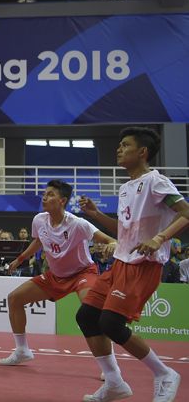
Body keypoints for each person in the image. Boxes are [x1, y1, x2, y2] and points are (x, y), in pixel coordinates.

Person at [76, 127, 189, 402]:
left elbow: (186, 213)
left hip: (143, 265)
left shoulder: (156, 181)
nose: (119, 149)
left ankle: (164, 373)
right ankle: (114, 382)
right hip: (119, 263)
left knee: (111, 323)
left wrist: (160, 238)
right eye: (119, 145)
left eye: (125, 145)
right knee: (87, 316)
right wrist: (96, 215)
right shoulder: (126, 187)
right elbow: (124, 229)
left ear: (142, 152)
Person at [0, 180, 116, 367]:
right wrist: (20, 259)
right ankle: (22, 351)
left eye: (51, 194)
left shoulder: (78, 224)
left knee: (92, 312)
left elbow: (109, 240)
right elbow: (38, 242)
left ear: (62, 201)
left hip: (82, 273)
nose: (45, 196)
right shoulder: (39, 220)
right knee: (14, 299)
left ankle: (110, 366)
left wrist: (112, 245)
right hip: (55, 275)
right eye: (45, 193)